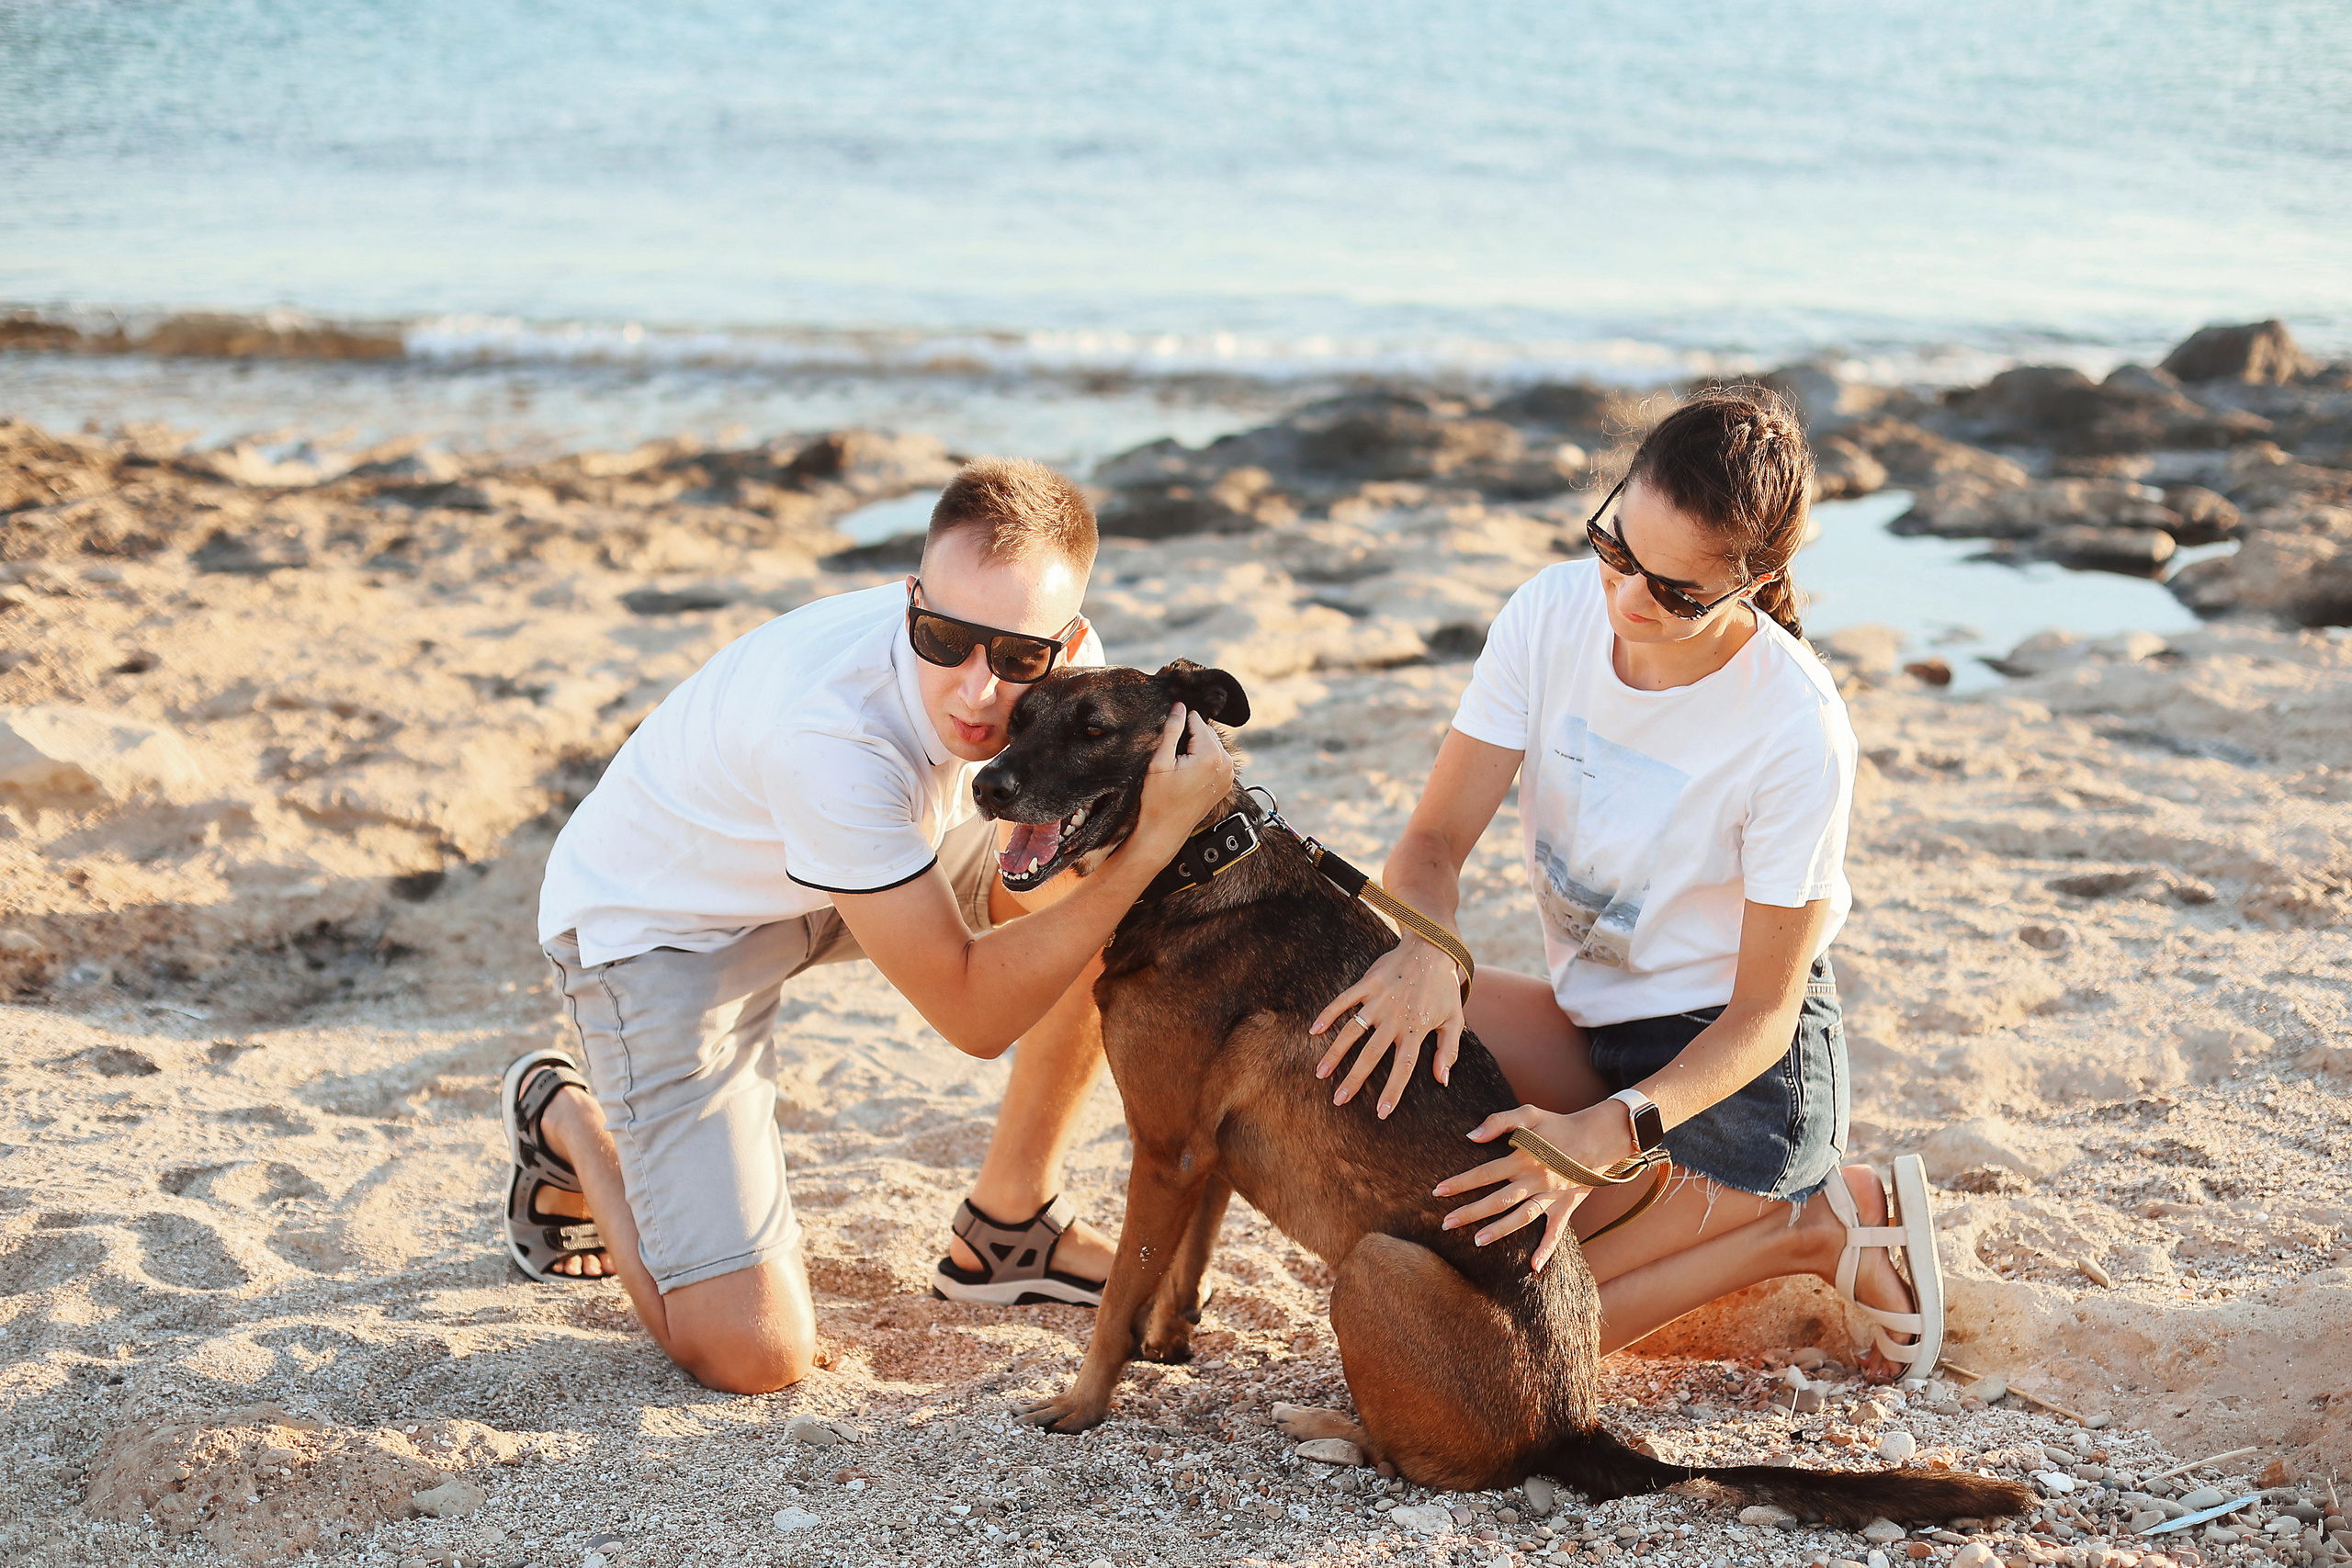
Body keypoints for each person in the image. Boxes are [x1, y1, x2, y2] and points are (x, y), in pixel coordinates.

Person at [504, 457, 1235, 1393]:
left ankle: (1008, 1227)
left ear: (1069, 640)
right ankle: (565, 1118)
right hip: (665, 930)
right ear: (910, 601)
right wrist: (1145, 850)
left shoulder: (1065, 668)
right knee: (751, 1356)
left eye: (1016, 659)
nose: (977, 692)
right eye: (944, 638)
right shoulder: (830, 733)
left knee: (1108, 903)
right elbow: (971, 1020)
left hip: (875, 867)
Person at [1310, 386, 1943, 1382]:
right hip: (1592, 1026)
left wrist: (1604, 1136)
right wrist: (1428, 953)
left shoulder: (1794, 726)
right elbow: (1431, 841)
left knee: (1492, 1348)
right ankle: (1746, 1219)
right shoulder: (1549, 613)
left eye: (1677, 591)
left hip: (1734, 1091)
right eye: (1616, 551)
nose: (1628, 600)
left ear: (1756, 579)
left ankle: (1813, 1221)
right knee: (1354, 1012)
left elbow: (1767, 1015)